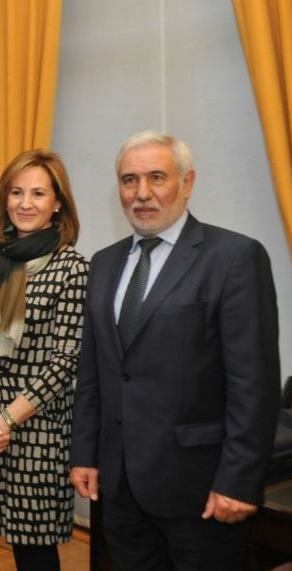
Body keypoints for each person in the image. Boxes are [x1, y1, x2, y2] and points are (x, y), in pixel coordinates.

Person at [70, 130, 280, 570]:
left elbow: (252, 383)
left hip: (201, 487)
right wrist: (86, 453)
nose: (141, 193)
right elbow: (94, 372)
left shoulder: (234, 257)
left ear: (187, 183)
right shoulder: (104, 263)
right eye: (129, 180)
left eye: (156, 178)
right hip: (121, 484)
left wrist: (239, 480)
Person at [0, 150, 87, 570]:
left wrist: (5, 422)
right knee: (5, 541)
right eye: (16, 192)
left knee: (35, 552)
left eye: (37, 193)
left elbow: (65, 361)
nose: (25, 203)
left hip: (38, 430)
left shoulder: (72, 269)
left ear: (57, 204)